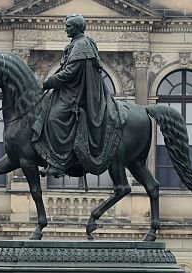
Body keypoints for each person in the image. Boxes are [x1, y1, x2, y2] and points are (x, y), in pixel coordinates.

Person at [31, 14, 123, 179]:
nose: (66, 28)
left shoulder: (81, 45)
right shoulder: (76, 44)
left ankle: (59, 163)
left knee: (54, 118)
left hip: (79, 92)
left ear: (77, 27)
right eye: (66, 25)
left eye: (69, 26)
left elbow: (70, 72)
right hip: (73, 89)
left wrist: (49, 82)